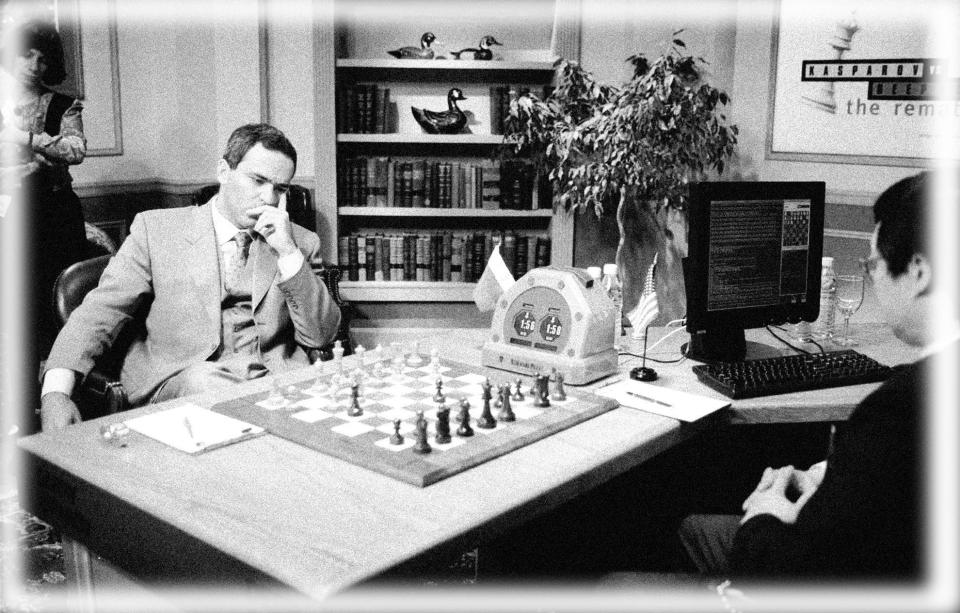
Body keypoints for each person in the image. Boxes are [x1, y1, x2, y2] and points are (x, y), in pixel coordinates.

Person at [678, 171, 956, 582]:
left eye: (873, 264)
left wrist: (767, 512)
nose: (872, 277)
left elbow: (795, 572)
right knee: (697, 527)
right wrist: (829, 475)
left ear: (919, 271)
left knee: (679, 539)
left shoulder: (898, 410)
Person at [38, 123, 341, 430]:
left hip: (274, 382)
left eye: (280, 188)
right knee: (210, 387)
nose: (269, 198)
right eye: (258, 180)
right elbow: (100, 312)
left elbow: (321, 336)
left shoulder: (300, 241)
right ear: (224, 171)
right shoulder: (155, 230)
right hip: (186, 378)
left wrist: (289, 253)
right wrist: (55, 392)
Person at [1, 19, 88, 433]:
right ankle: (15, 408)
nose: (34, 64)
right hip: (8, 212)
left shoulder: (61, 104)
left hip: (54, 216)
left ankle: (58, 401)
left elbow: (76, 150)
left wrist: (26, 139)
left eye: (42, 57)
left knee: (57, 308)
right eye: (26, 53)